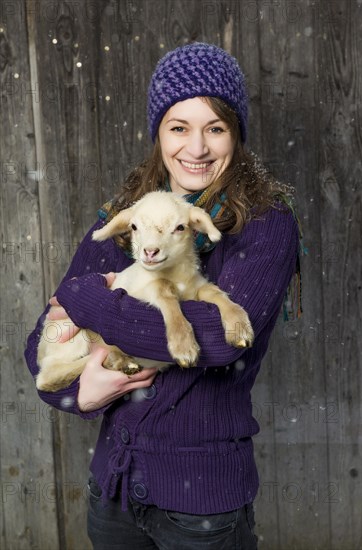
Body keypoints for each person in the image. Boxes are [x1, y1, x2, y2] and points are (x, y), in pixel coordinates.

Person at [25, 42, 301, 549]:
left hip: (201, 508)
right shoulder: (133, 214)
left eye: (214, 128)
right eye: (179, 127)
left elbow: (216, 341)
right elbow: (41, 340)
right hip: (113, 491)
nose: (195, 148)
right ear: (159, 133)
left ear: (235, 134)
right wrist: (77, 394)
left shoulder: (265, 221)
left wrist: (90, 300)